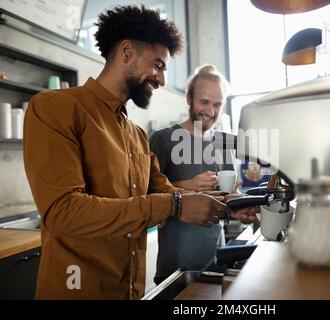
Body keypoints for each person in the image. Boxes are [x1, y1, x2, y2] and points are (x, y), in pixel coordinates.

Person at [23, 5, 256, 300]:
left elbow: (167, 191)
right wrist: (174, 206)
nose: (161, 80)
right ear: (127, 52)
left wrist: (229, 203)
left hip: (129, 291)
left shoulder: (135, 135)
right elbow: (63, 212)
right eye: (158, 65)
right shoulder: (55, 108)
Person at [150, 65, 248, 284]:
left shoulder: (224, 141)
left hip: (215, 262)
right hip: (174, 268)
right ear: (189, 98)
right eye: (204, 102)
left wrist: (243, 204)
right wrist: (188, 185)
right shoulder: (163, 139)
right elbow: (147, 196)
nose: (211, 112)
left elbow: (229, 195)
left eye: (217, 104)